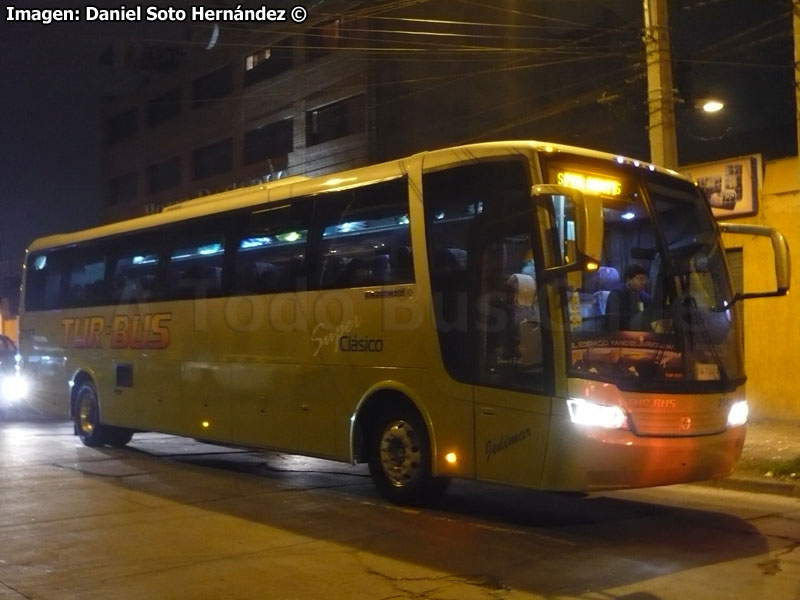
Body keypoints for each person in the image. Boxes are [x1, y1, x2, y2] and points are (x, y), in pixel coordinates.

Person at [606, 263, 650, 331]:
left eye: (645, 279)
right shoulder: (616, 294)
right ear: (628, 279)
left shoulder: (645, 297)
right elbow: (613, 321)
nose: (643, 282)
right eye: (640, 279)